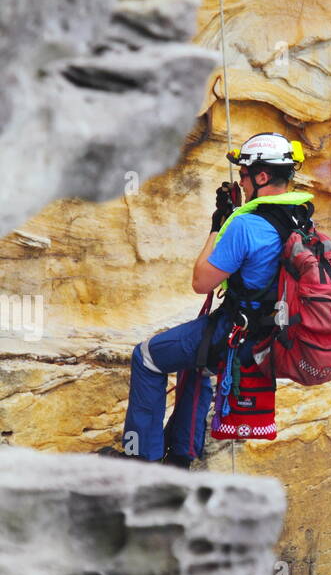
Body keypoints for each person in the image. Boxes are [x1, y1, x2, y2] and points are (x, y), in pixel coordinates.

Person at [103, 133, 312, 466]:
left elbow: (201, 282)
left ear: (261, 176)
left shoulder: (245, 224)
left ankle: (141, 459)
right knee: (198, 367)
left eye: (244, 174)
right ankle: (181, 458)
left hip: (236, 335)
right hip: (269, 333)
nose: (241, 181)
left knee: (146, 357)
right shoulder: (300, 216)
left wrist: (218, 226)